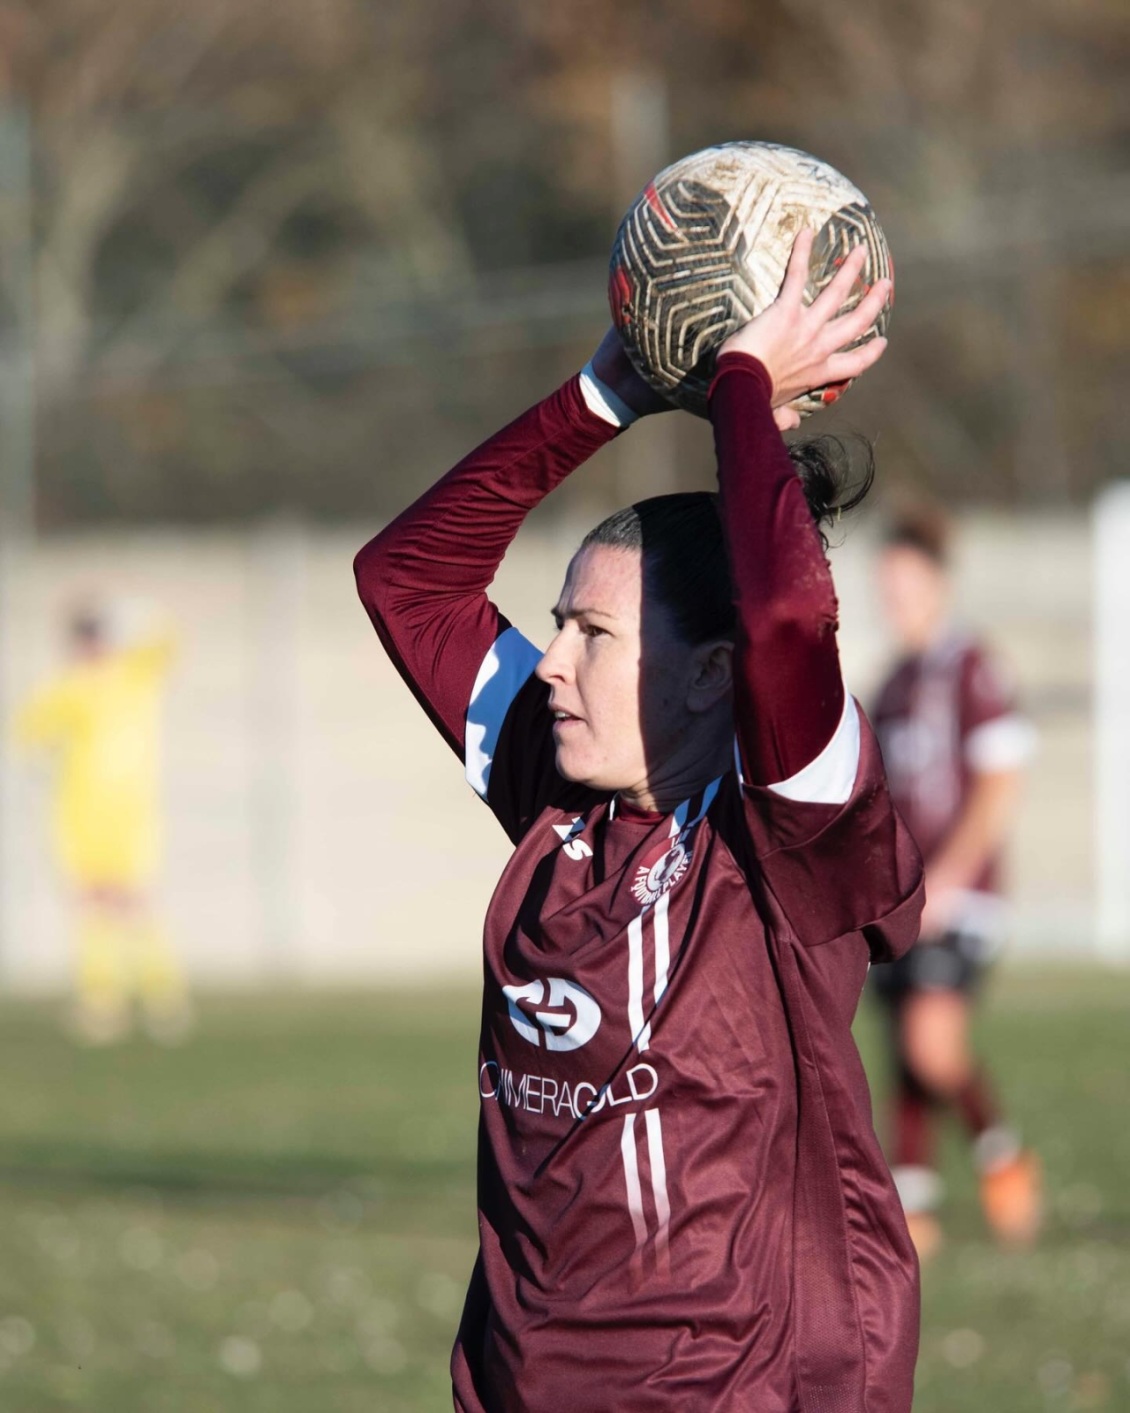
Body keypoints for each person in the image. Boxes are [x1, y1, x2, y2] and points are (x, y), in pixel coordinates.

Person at [356, 234, 924, 1413]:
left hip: (735, 1388)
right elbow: (407, 576)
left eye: (591, 635)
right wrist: (602, 393)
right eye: (556, 625)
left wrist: (738, 388)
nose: (548, 663)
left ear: (710, 676)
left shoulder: (790, 834)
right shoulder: (556, 790)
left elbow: (780, 619)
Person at [870, 505, 1039, 1259]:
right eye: (887, 585)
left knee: (931, 1040)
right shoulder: (893, 683)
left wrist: (948, 877)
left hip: (960, 897)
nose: (895, 598)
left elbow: (1000, 783)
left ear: (936, 583)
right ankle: (915, 1205)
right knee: (902, 1039)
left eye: (906, 583)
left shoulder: (972, 667)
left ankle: (1001, 1154)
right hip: (901, 895)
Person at [15, 599, 192, 1045]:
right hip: (77, 811)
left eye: (96, 631)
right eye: (84, 633)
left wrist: (135, 609)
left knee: (134, 903)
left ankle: (163, 1000)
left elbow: (169, 638)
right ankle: (102, 1005)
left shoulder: (133, 671)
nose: (91, 642)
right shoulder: (66, 684)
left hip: (131, 810)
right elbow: (27, 730)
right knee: (90, 906)